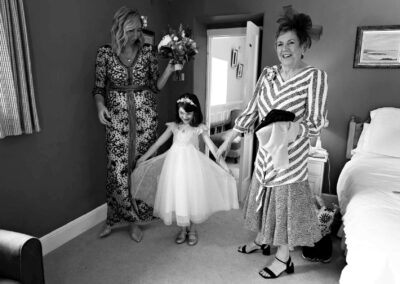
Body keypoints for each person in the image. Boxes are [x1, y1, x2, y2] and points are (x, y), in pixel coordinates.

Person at [216, 6, 328, 279]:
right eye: (280, 44)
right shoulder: (268, 75)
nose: (284, 49)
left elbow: (316, 121)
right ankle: (262, 240)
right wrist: (227, 138)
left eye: (291, 43)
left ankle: (283, 258)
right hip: (265, 153)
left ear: (303, 46)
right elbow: (252, 110)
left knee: (284, 206)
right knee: (263, 198)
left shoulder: (314, 77)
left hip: (290, 157)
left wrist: (291, 128)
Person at [92, 6, 178, 241]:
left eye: (139, 30)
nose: (136, 35)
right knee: (117, 170)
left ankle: (136, 219)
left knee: (141, 167)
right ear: (119, 28)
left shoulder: (149, 52)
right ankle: (115, 217)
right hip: (117, 119)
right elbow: (99, 89)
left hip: (145, 118)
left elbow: (155, 87)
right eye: (131, 30)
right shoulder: (105, 54)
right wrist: (100, 107)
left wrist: (170, 69)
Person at [131, 93, 239, 246]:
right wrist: (143, 158)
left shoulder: (199, 129)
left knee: (193, 196)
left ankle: (192, 229)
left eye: (188, 113)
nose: (185, 116)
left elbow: (214, 150)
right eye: (182, 113)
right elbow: (157, 144)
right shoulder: (174, 127)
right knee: (179, 196)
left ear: (195, 111)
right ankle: (182, 229)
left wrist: (226, 168)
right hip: (174, 168)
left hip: (192, 167)